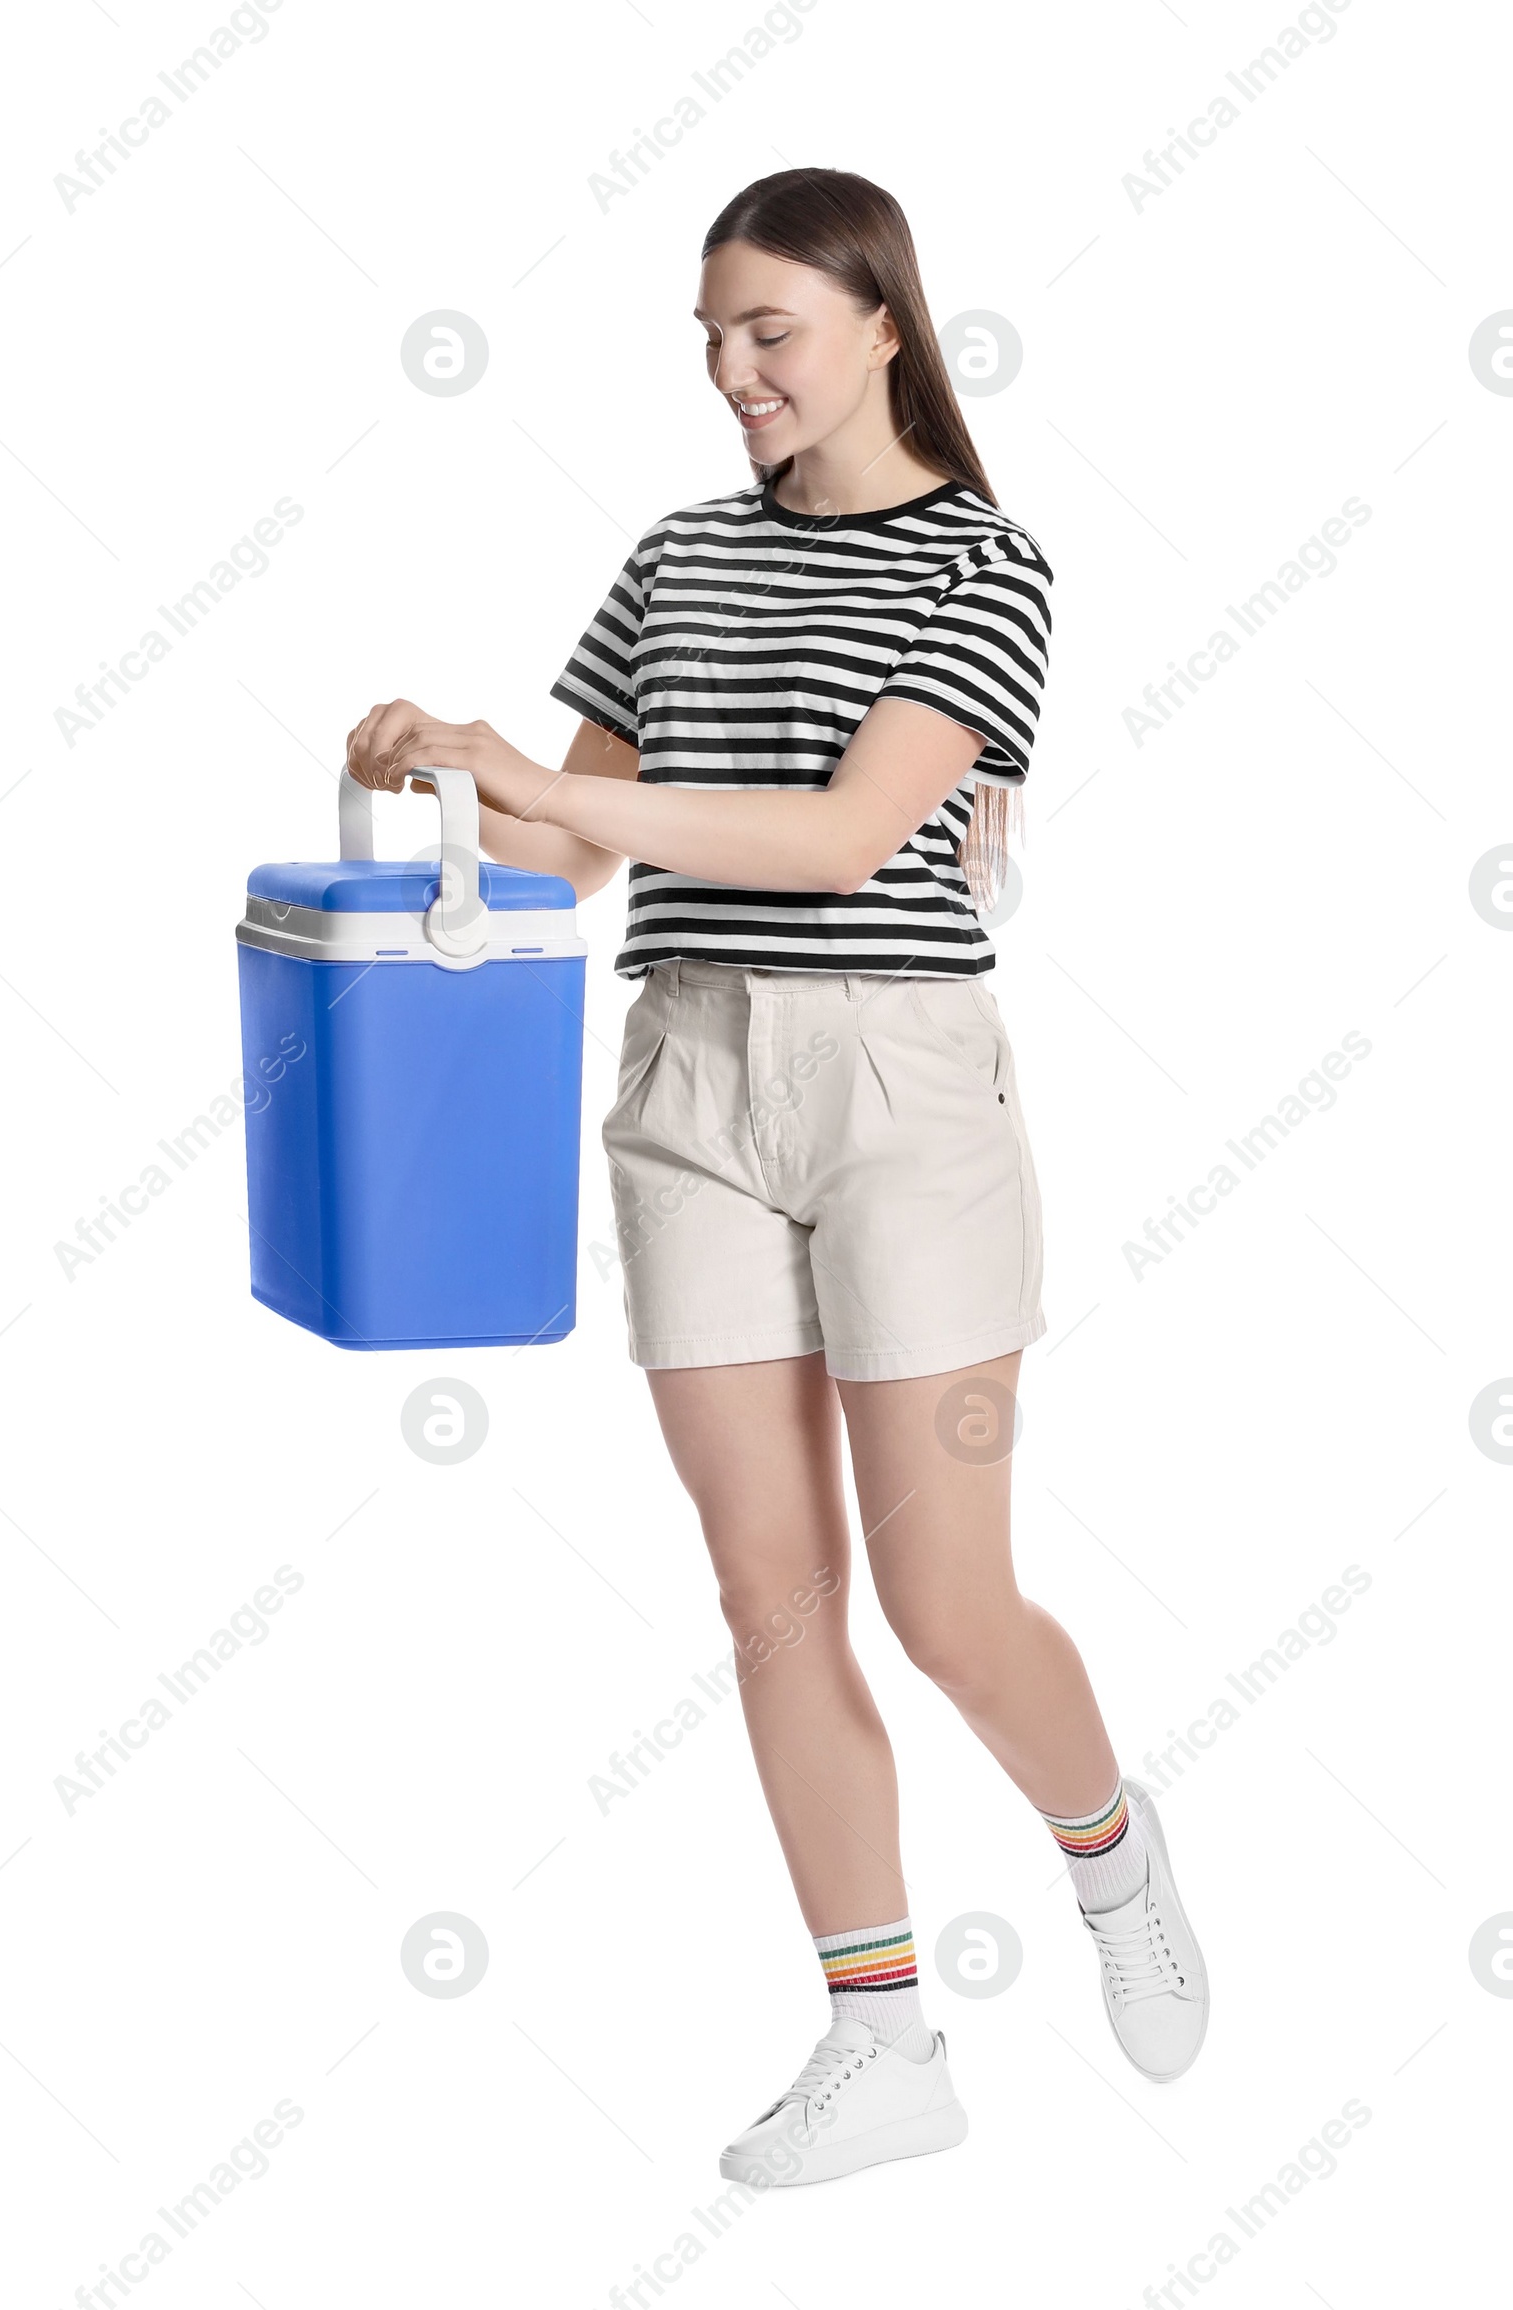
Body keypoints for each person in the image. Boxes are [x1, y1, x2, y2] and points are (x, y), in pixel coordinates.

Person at [345, 166, 1208, 2187]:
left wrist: (543, 772)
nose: (734, 373)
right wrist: (450, 791)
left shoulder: (985, 565)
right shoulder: (672, 560)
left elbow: (839, 839)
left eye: (771, 332)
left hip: (899, 1098)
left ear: (884, 325)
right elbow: (570, 865)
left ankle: (1107, 1857)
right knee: (766, 1591)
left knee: (942, 1602)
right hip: (684, 1087)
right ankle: (881, 2038)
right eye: (712, 338)